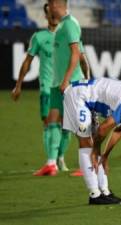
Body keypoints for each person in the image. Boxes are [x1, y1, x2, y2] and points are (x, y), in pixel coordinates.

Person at [10, 3, 75, 176]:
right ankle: (51, 161)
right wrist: (18, 85)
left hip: (66, 86)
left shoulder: (67, 33)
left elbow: (78, 56)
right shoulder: (39, 37)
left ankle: (59, 158)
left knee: (67, 126)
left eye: (55, 12)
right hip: (48, 87)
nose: (53, 15)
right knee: (49, 123)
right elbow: (27, 61)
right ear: (46, 15)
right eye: (50, 13)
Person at [35, 0, 90, 176]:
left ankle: (88, 164)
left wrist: (69, 80)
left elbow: (76, 53)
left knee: (79, 125)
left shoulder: (70, 24)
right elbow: (81, 55)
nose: (49, 9)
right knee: (52, 121)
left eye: (50, 5)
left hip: (70, 84)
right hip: (57, 84)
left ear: (56, 5)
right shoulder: (62, 26)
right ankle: (51, 164)